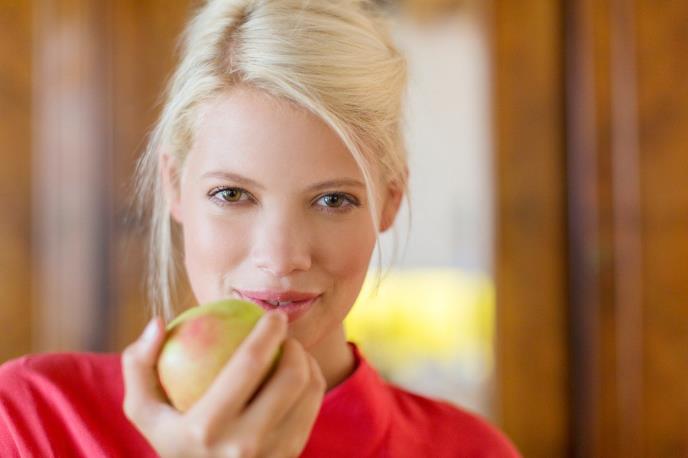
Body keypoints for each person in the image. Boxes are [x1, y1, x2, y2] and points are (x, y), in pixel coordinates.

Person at [0, 0, 520, 456]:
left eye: (332, 200)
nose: (281, 257)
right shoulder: (30, 420)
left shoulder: (470, 452)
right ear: (174, 186)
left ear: (389, 202)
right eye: (232, 194)